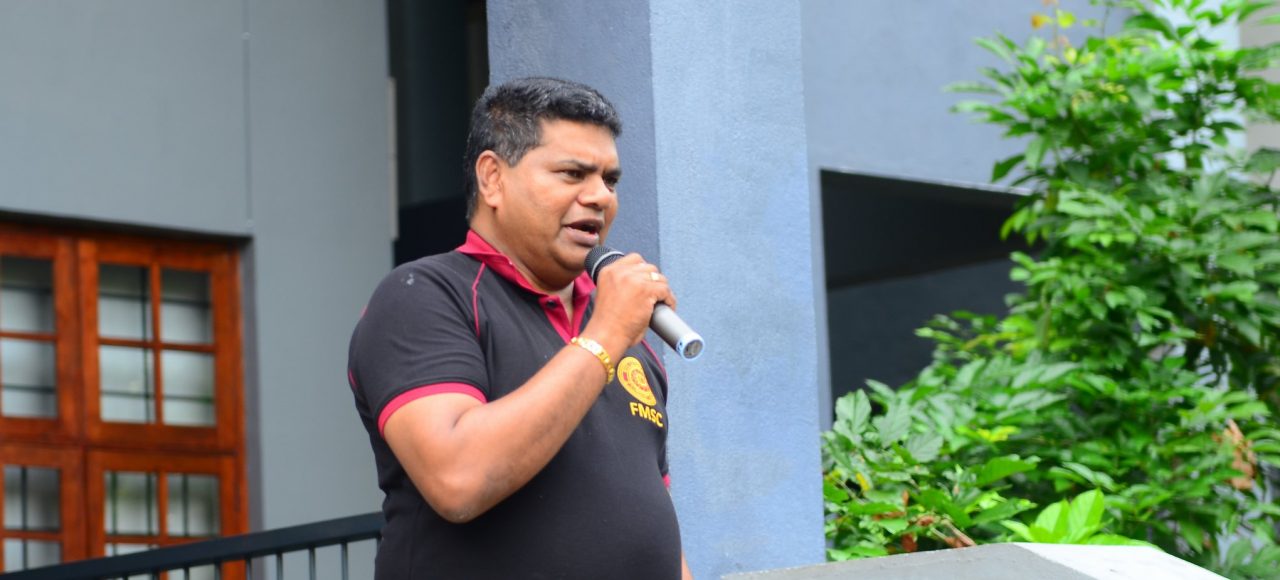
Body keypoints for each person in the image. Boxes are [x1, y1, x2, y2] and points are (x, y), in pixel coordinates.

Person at [348, 77, 693, 579]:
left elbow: (652, 515)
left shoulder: (625, 337)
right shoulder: (424, 295)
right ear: (493, 178)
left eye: (610, 180)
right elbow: (458, 478)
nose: (600, 196)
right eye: (573, 173)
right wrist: (605, 337)